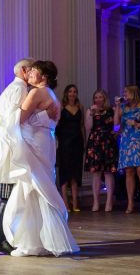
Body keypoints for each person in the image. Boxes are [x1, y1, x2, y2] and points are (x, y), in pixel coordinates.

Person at [1, 60, 79, 257]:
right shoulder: (52, 95)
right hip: (46, 143)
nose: (31, 74)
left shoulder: (36, 93)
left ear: (44, 76)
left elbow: (19, 119)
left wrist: (4, 117)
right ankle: (40, 240)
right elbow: (50, 121)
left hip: (35, 143)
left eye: (34, 71)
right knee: (39, 187)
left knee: (33, 188)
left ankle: (32, 243)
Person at [0, 57, 56, 255]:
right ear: (25, 70)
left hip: (17, 143)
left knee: (14, 195)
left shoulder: (20, 89)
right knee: (11, 195)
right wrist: (44, 117)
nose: (33, 73)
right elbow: (16, 119)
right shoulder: (20, 89)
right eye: (32, 69)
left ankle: (3, 239)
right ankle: (2, 240)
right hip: (11, 145)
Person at [115, 84, 140, 214]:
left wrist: (138, 124)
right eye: (124, 92)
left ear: (133, 93)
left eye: (126, 92)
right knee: (129, 171)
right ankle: (130, 202)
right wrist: (117, 107)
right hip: (126, 141)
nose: (124, 94)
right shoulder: (123, 108)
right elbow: (116, 126)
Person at [85, 88, 117, 212]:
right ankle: (96, 202)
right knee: (96, 173)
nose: (98, 99)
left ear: (105, 98)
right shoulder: (90, 111)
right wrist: (92, 114)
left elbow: (117, 125)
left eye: (100, 97)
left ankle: (109, 201)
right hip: (95, 142)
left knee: (108, 172)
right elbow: (88, 127)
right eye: (96, 97)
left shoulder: (111, 110)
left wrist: (116, 132)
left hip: (108, 142)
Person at [55, 84, 85, 213]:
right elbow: (56, 125)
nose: (72, 94)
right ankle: (65, 204)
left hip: (77, 142)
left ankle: (75, 204)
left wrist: (84, 142)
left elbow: (82, 126)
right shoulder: (61, 107)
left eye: (75, 92)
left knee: (75, 174)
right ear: (66, 93)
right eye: (70, 91)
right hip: (65, 143)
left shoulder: (80, 107)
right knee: (65, 174)